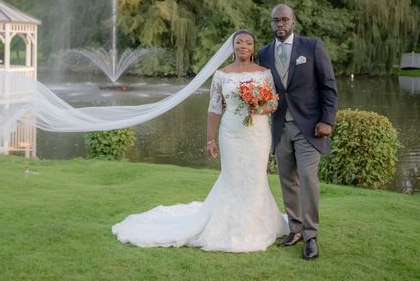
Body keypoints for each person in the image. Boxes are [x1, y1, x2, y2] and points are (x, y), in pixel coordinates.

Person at [112, 30, 289, 252]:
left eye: (248, 42)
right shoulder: (222, 75)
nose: (244, 46)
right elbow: (214, 107)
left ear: (254, 47)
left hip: (258, 135)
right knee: (233, 177)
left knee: (256, 177)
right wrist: (210, 140)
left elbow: (273, 104)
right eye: (239, 42)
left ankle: (256, 224)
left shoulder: (265, 74)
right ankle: (229, 225)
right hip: (231, 133)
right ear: (232, 46)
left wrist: (258, 106)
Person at [258, 4, 338, 260]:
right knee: (286, 179)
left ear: (293, 21)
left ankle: (311, 235)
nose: (280, 24)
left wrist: (327, 120)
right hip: (279, 126)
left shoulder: (312, 47)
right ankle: (295, 229)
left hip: (309, 126)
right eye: (275, 21)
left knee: (307, 178)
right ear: (271, 24)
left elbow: (328, 86)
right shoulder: (264, 53)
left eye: (284, 20)